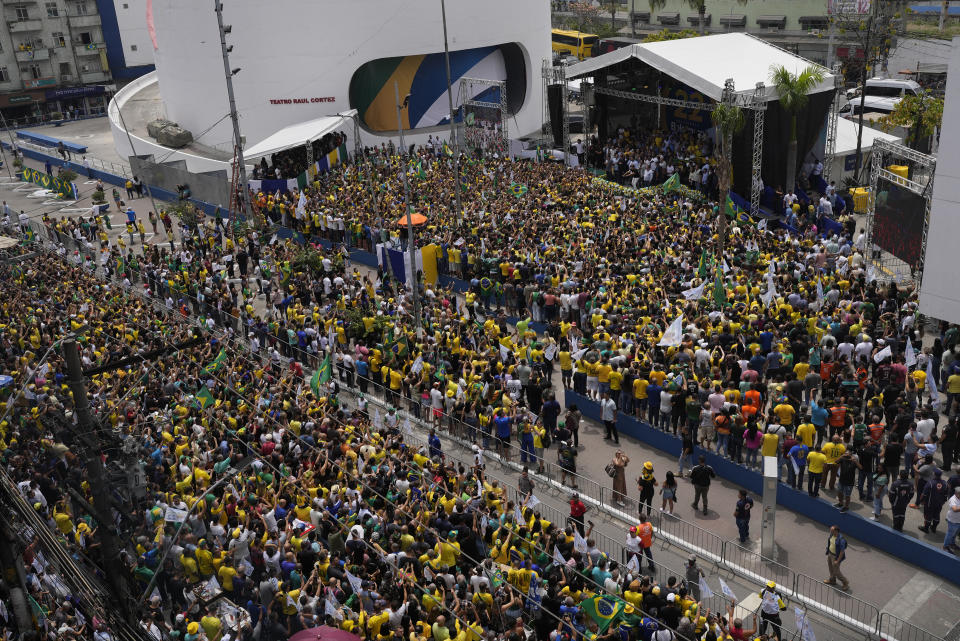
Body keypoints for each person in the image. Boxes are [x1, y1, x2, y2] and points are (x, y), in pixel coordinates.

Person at [825, 525, 850, 591]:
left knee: (836, 572)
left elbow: (842, 551)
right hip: (830, 554)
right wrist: (828, 551)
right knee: (830, 568)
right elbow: (830, 543)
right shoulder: (831, 535)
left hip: (836, 557)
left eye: (832, 530)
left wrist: (837, 561)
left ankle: (845, 582)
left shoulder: (841, 540)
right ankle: (832, 580)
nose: (830, 531)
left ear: (836, 531)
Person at [944, 486, 960, 553]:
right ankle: (946, 546)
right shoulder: (953, 499)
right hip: (953, 521)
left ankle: (952, 544)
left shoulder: (958, 497)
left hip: (958, 520)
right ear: (957, 493)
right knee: (950, 534)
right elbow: (955, 509)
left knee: (955, 533)